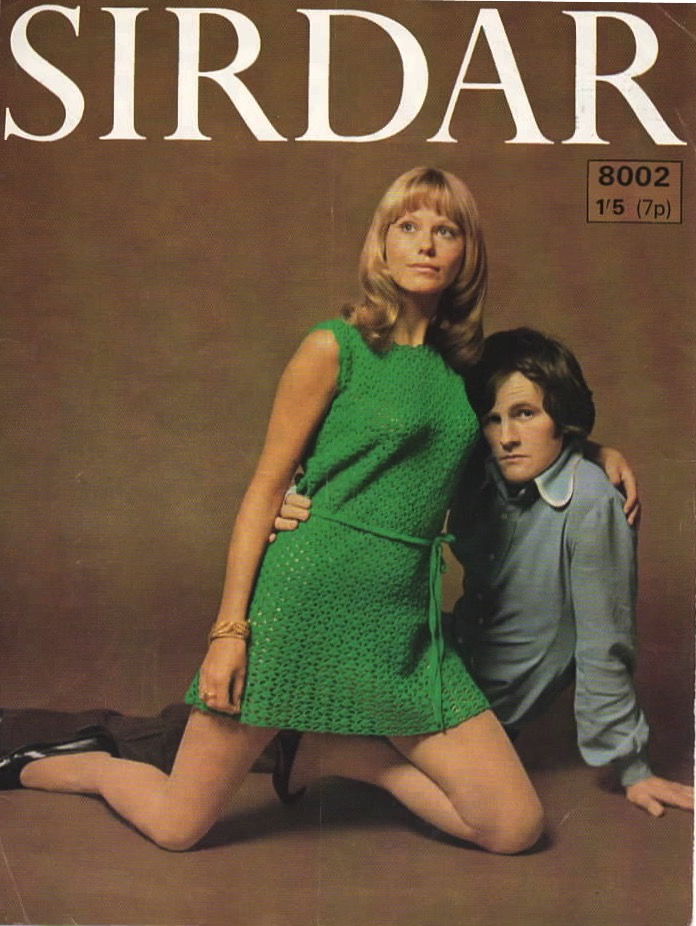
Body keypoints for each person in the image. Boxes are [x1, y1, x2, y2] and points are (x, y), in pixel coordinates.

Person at [1, 167, 545, 855]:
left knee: (514, 826)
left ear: (467, 251)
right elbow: (265, 489)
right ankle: (55, 765)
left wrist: (600, 455)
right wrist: (230, 633)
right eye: (408, 226)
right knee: (177, 826)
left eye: (446, 230)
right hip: (301, 606)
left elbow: (535, 424)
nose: (427, 244)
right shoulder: (335, 346)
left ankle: (327, 754)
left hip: (403, 626)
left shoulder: (467, 369)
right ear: (381, 243)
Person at [277, 328, 693, 818]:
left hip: (481, 705)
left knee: (289, 723)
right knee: (271, 698)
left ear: (562, 415)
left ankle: (315, 750)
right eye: (492, 419)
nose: (507, 437)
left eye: (525, 413)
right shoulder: (484, 471)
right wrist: (292, 492)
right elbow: (384, 464)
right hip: (448, 659)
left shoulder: (591, 504)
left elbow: (606, 644)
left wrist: (633, 768)